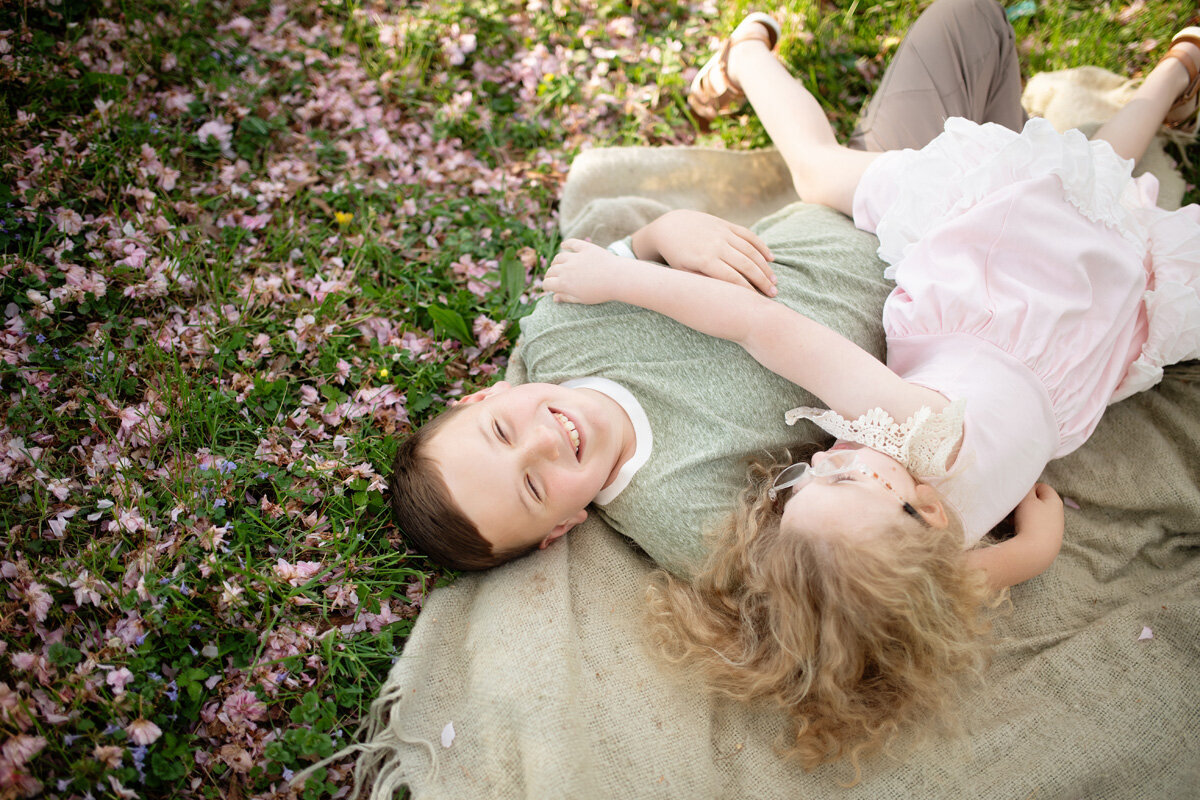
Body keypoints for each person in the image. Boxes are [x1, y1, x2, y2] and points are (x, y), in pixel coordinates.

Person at [541, 1, 1200, 772]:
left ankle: (1177, 71)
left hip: (1087, 348)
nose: (821, 458)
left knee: (1107, 196)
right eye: (845, 473)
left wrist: (1032, 552)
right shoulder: (912, 430)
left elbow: (957, 582)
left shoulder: (923, 565)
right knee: (1061, 188)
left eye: (799, 483)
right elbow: (758, 324)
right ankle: (1173, 74)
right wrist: (618, 276)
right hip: (1015, 277)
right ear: (921, 509)